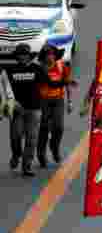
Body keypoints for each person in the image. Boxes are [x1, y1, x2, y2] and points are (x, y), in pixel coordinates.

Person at [0, 44, 45, 176]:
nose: (23, 57)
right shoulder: (9, 70)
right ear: (17, 57)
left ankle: (27, 166)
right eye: (20, 55)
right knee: (16, 136)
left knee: (32, 139)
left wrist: (65, 82)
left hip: (35, 109)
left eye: (25, 55)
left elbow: (48, 83)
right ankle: (16, 154)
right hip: (17, 109)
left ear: (29, 56)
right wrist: (8, 104)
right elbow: (3, 89)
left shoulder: (37, 69)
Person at [36, 43, 74, 168]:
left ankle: (54, 148)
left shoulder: (62, 66)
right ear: (43, 57)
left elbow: (68, 84)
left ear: (55, 55)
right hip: (43, 100)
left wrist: (69, 102)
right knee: (44, 127)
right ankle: (41, 154)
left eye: (51, 54)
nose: (49, 57)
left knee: (59, 127)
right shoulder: (39, 69)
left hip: (58, 100)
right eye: (47, 55)